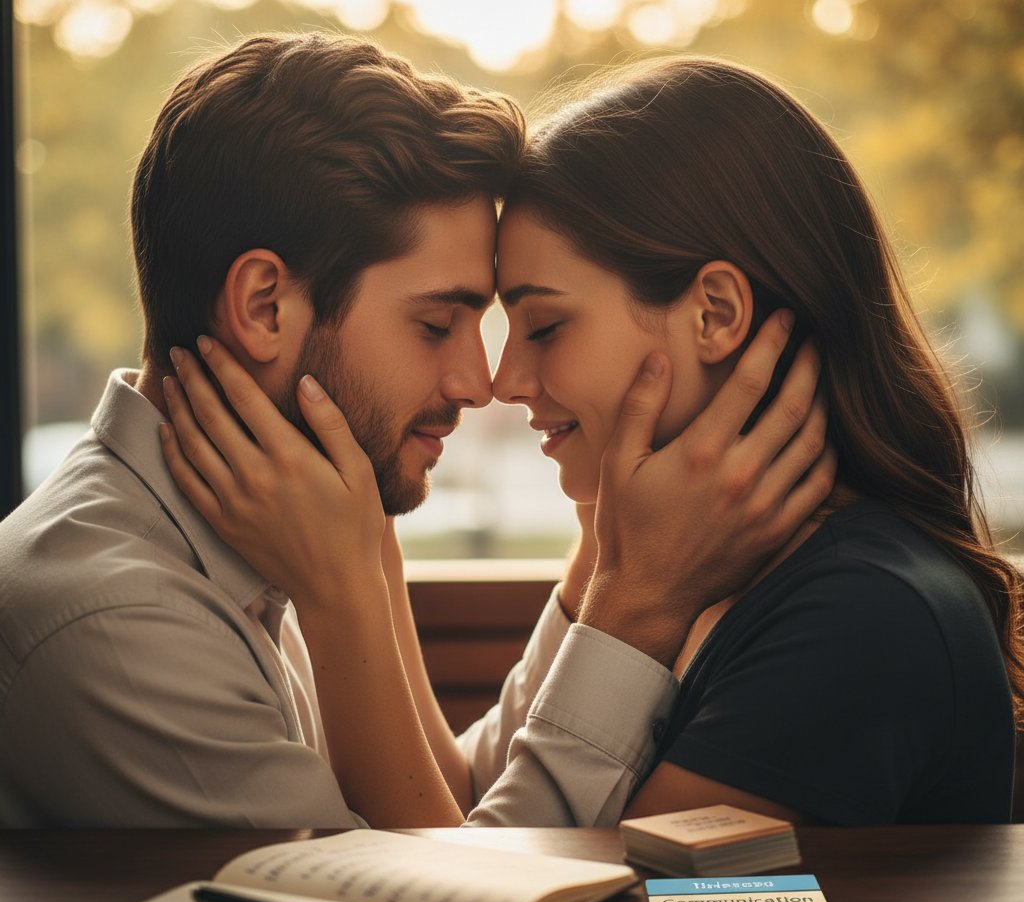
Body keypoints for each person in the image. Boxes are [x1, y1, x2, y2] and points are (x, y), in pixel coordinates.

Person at [164, 56, 1020, 825]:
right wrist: (367, 532)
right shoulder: (693, 556)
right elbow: (472, 795)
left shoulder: (860, 618)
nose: (503, 381)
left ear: (714, 315)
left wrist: (340, 589)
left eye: (545, 325)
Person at [0, 35, 830, 827]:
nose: (480, 384)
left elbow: (462, 799)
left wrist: (604, 557)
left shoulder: (260, 528)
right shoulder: (120, 623)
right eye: (437, 325)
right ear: (264, 307)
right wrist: (637, 607)